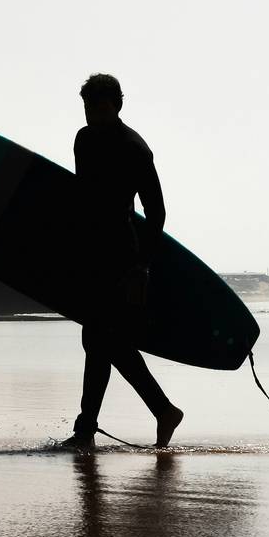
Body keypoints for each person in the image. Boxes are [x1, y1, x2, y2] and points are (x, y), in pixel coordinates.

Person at [60, 73, 184, 450]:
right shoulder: (83, 139)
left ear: (116, 106)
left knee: (102, 339)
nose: (91, 115)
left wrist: (141, 267)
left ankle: (91, 429)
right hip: (91, 252)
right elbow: (82, 198)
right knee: (100, 340)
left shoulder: (134, 149)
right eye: (86, 108)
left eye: (98, 108)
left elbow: (157, 212)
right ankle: (153, 413)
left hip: (121, 254)